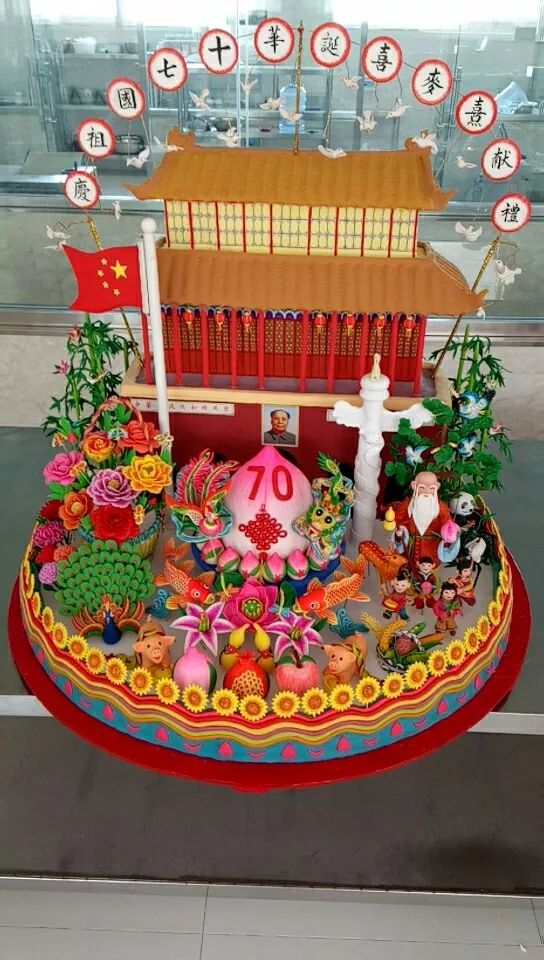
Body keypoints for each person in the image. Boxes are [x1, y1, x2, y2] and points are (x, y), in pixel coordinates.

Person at [390, 471, 459, 569]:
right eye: (422, 487)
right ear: (414, 485)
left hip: (432, 552)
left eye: (431, 488)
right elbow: (397, 521)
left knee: (430, 573)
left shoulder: (441, 508)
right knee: (407, 569)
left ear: (437, 487)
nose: (427, 492)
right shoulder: (406, 506)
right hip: (410, 550)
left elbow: (448, 527)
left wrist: (449, 536)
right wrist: (399, 533)